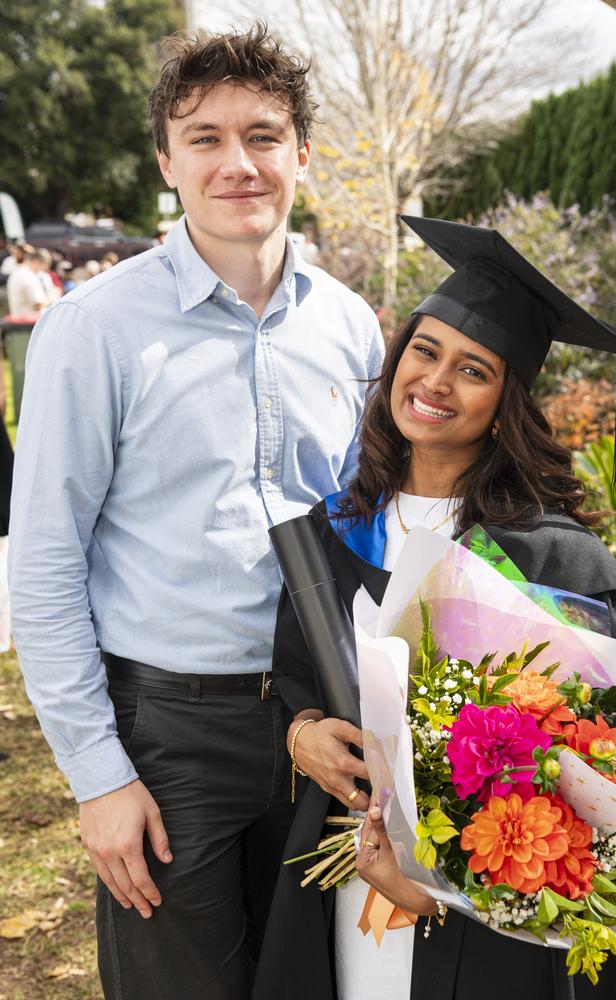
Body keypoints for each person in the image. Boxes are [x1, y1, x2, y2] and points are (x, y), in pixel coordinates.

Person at [8, 24, 383, 1000]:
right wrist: (97, 775)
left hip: (323, 718)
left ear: (302, 151)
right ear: (165, 159)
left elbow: (364, 533)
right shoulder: (93, 331)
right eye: (204, 137)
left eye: (261, 135)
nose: (236, 163)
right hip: (168, 732)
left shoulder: (350, 328)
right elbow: (45, 564)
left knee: (318, 980)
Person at [254, 216, 616, 1000]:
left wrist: (441, 883)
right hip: (342, 874)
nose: (435, 382)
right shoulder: (333, 533)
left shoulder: (555, 559)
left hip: (490, 924)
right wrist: (301, 737)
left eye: (473, 369)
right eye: (424, 351)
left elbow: (610, 774)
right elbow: (290, 686)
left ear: (508, 402)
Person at [6, 247, 47, 314]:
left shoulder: (17, 272)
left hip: (18, 318)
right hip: (29, 321)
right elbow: (39, 304)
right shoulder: (29, 276)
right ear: (37, 262)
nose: (41, 271)